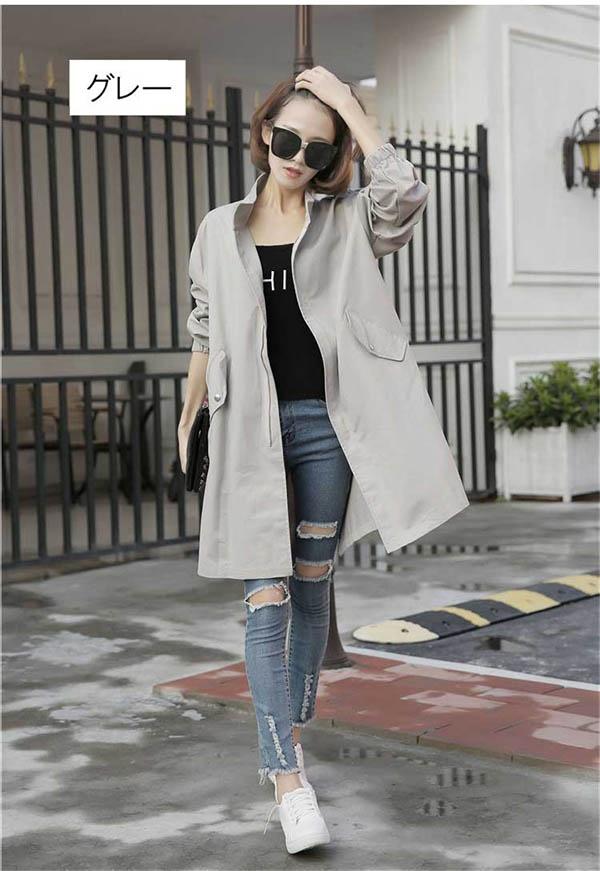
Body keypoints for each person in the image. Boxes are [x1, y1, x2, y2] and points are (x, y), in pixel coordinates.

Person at [178, 66, 441, 854]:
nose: (296, 157)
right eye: (287, 139)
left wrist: (351, 107)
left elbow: (405, 194)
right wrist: (190, 415)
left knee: (311, 584)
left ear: (330, 159)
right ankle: (287, 777)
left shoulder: (349, 220)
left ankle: (288, 721)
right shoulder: (218, 228)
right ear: (265, 133)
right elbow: (204, 327)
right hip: (246, 431)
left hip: (327, 430)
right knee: (265, 598)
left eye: (316, 150)